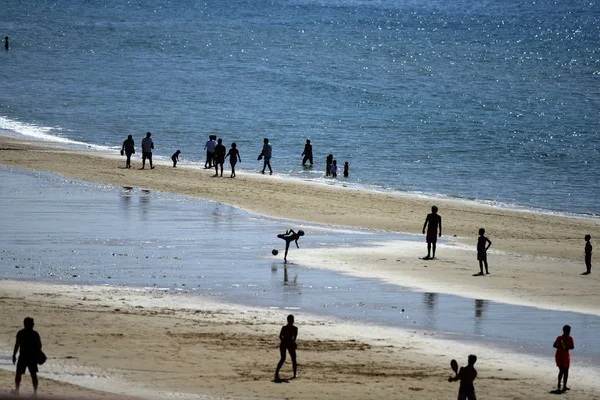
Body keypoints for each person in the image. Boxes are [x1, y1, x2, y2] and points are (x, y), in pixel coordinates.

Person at [12, 317, 42, 397]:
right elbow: (39, 346)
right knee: (33, 375)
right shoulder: (35, 334)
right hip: (32, 357)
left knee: (18, 374)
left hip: (23, 357)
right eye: (32, 323)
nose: (33, 324)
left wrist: (14, 355)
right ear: (30, 324)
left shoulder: (21, 333)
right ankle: (35, 393)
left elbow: (17, 345)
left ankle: (17, 390)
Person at [274, 314, 298, 380]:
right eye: (291, 320)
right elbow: (281, 336)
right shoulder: (286, 328)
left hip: (287, 344)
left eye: (291, 320)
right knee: (285, 358)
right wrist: (287, 341)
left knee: (292, 358)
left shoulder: (293, 329)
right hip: (285, 344)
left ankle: (294, 374)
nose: (291, 321)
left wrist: (292, 343)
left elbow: (293, 338)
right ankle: (277, 373)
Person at [553, 325, 574, 393]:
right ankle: (559, 384)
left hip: (566, 356)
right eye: (567, 331)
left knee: (566, 370)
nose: (568, 332)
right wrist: (560, 346)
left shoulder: (570, 338)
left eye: (569, 331)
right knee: (561, 370)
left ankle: (564, 386)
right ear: (564, 331)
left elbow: (572, 347)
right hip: (559, 355)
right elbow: (554, 345)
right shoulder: (559, 337)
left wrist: (567, 347)